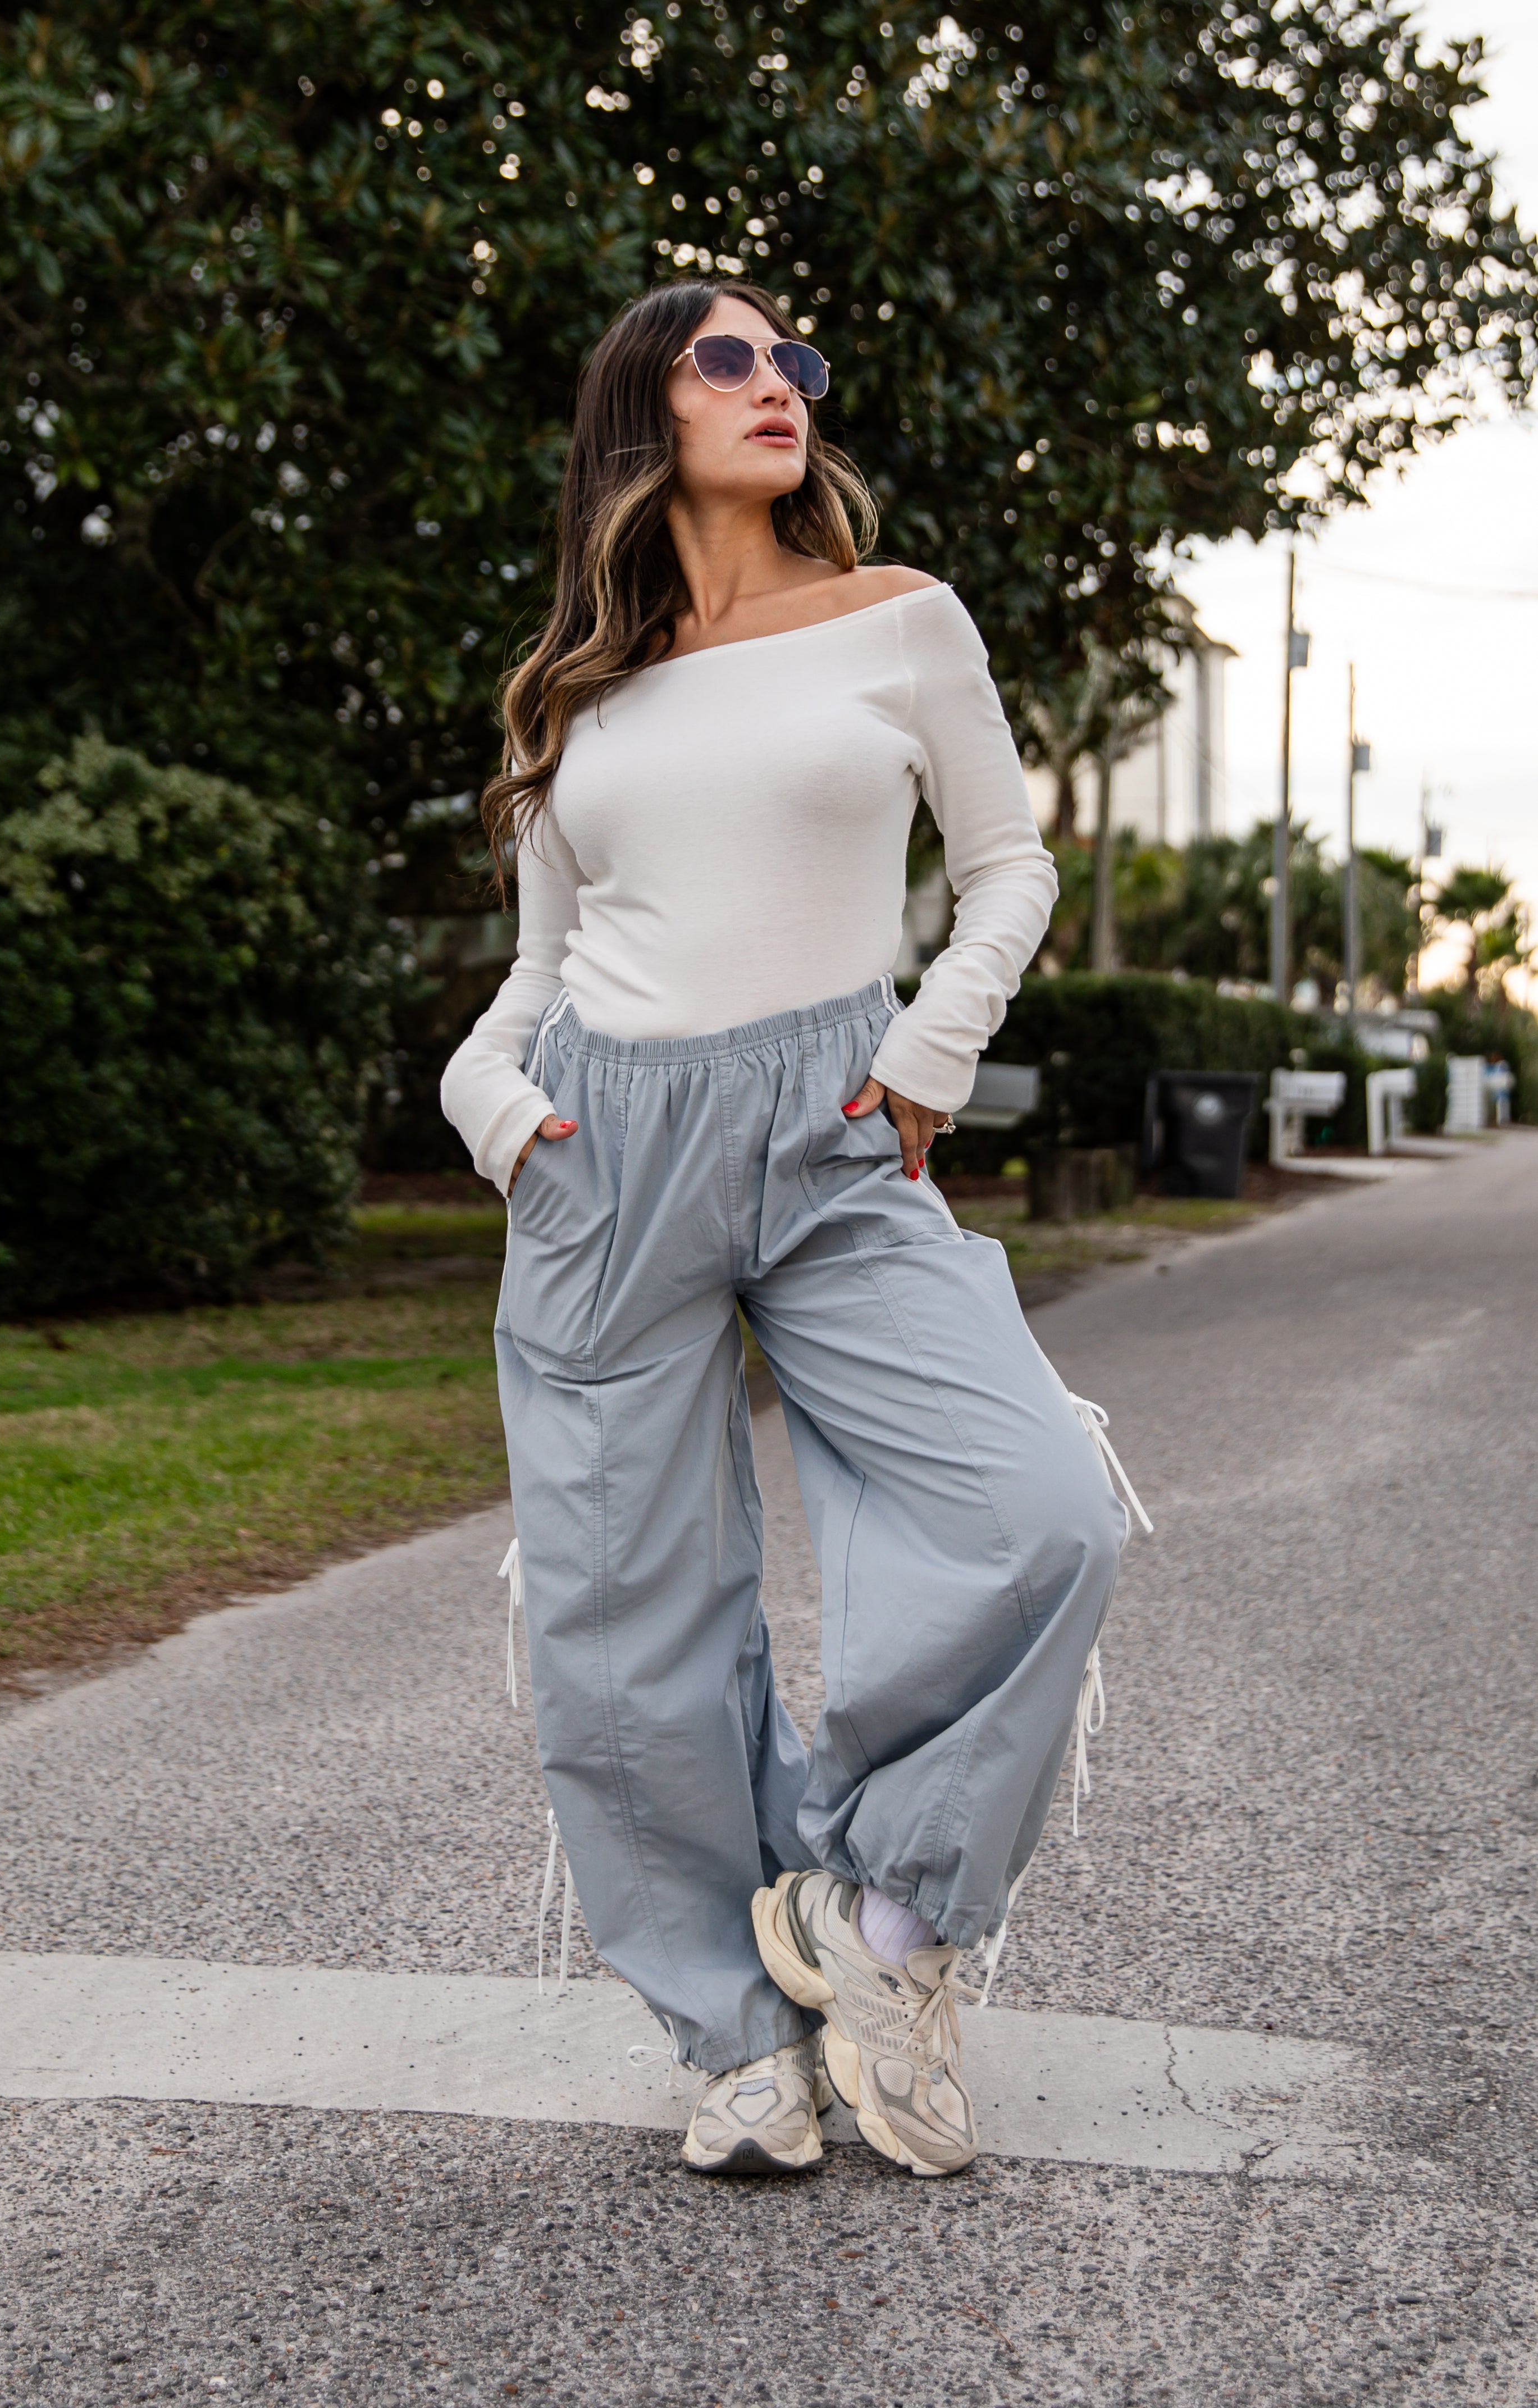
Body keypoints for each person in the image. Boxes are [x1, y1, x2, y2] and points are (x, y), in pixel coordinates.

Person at [441, 279, 1128, 2179]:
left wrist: (927, 1055)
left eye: (797, 364)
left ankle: (879, 1921)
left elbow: (1007, 867)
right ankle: (732, 2039)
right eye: (731, 357)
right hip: (605, 1155)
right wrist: (499, 1116)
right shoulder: (575, 693)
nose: (780, 388)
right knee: (618, 1612)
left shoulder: (898, 620)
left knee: (1035, 1508)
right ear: (638, 409)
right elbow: (535, 975)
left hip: (842, 1131)